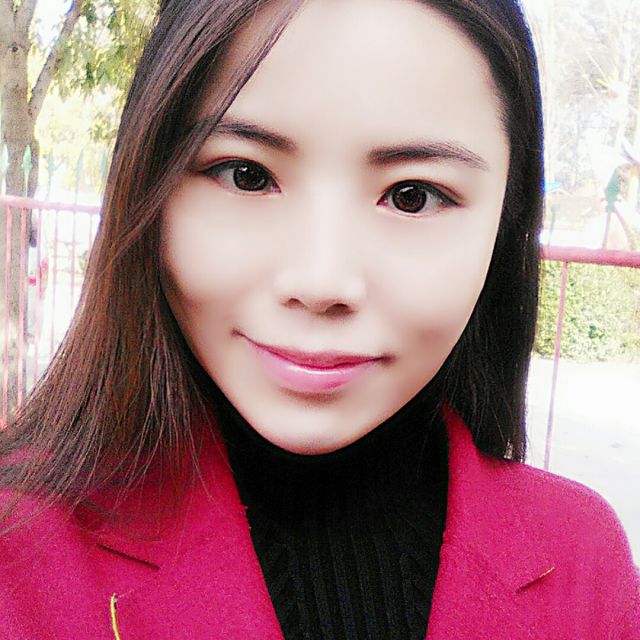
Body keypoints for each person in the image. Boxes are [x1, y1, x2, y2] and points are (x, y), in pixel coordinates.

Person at [0, 0, 638, 637]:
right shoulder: (20, 550)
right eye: (247, 176)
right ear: (150, 183)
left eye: (412, 196)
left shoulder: (583, 565)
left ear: (505, 220)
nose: (320, 281)